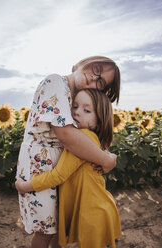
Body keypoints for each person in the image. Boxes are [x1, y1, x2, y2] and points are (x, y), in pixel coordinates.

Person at [15, 56, 121, 248]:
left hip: (62, 171)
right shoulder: (56, 83)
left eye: (101, 82)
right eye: (96, 68)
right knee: (45, 231)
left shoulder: (76, 97)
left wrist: (108, 155)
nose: (93, 77)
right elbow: (66, 134)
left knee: (58, 230)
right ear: (86, 62)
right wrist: (106, 159)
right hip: (41, 168)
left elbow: (85, 137)